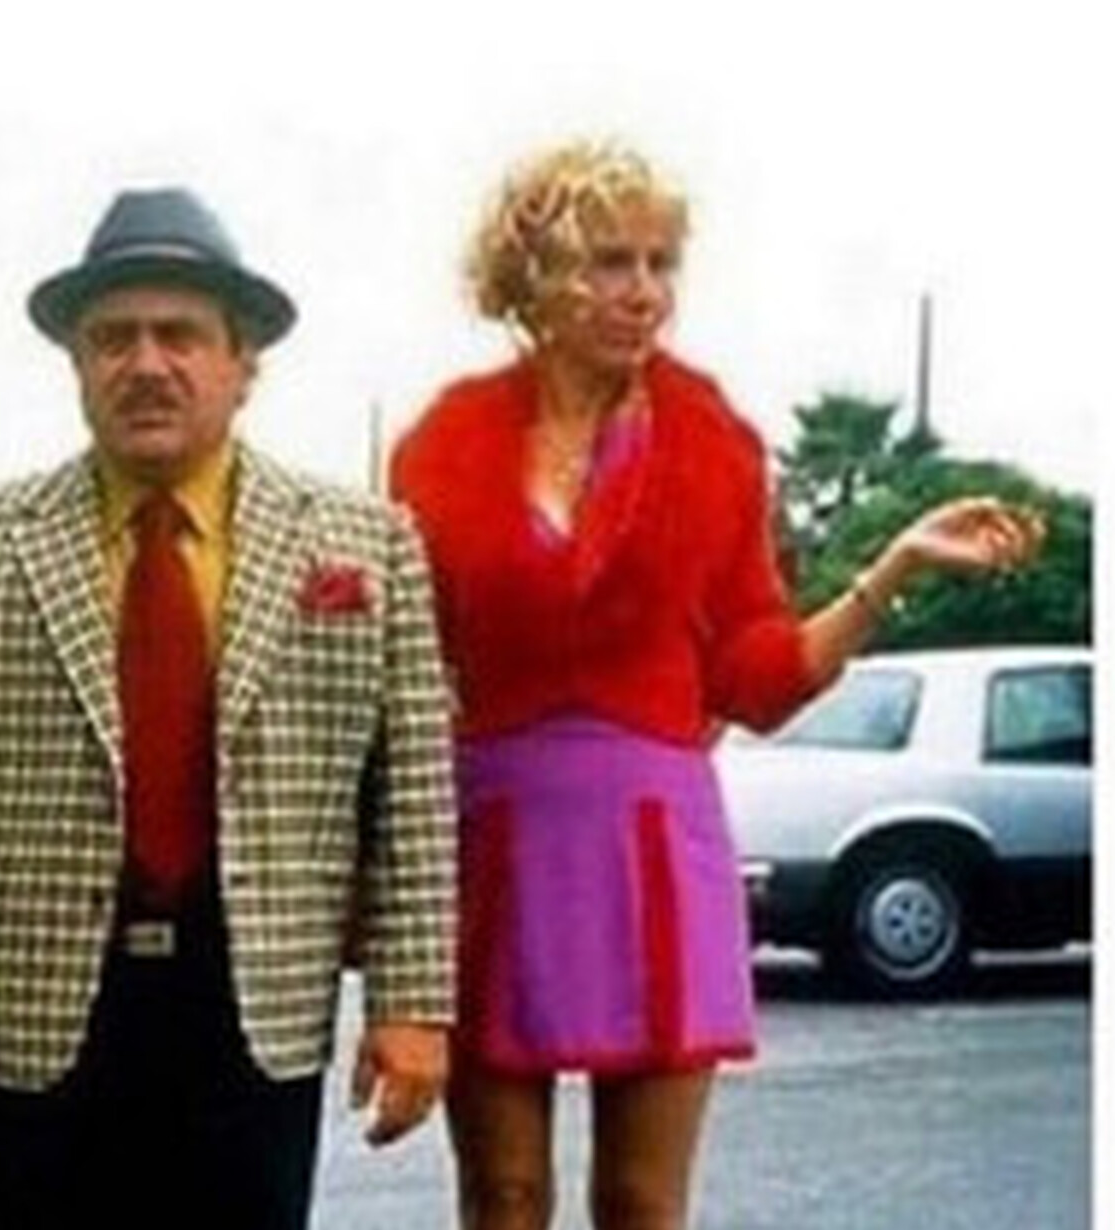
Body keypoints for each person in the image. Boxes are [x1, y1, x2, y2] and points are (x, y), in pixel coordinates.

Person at [388, 139, 1045, 1230]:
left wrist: (892, 568)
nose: (643, 291)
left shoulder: (713, 439)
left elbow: (759, 676)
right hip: (492, 846)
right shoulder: (442, 442)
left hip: (657, 844)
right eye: (610, 261)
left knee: (641, 1204)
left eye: (660, 264)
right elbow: (406, 668)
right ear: (533, 275)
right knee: (501, 1199)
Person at [0, 186, 461, 1230]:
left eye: (179, 335)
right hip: (36, 1007)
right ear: (76, 364)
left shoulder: (366, 545)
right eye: (114, 338)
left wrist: (413, 1002)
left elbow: (411, 795)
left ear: (243, 363)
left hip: (256, 1004)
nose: (145, 363)